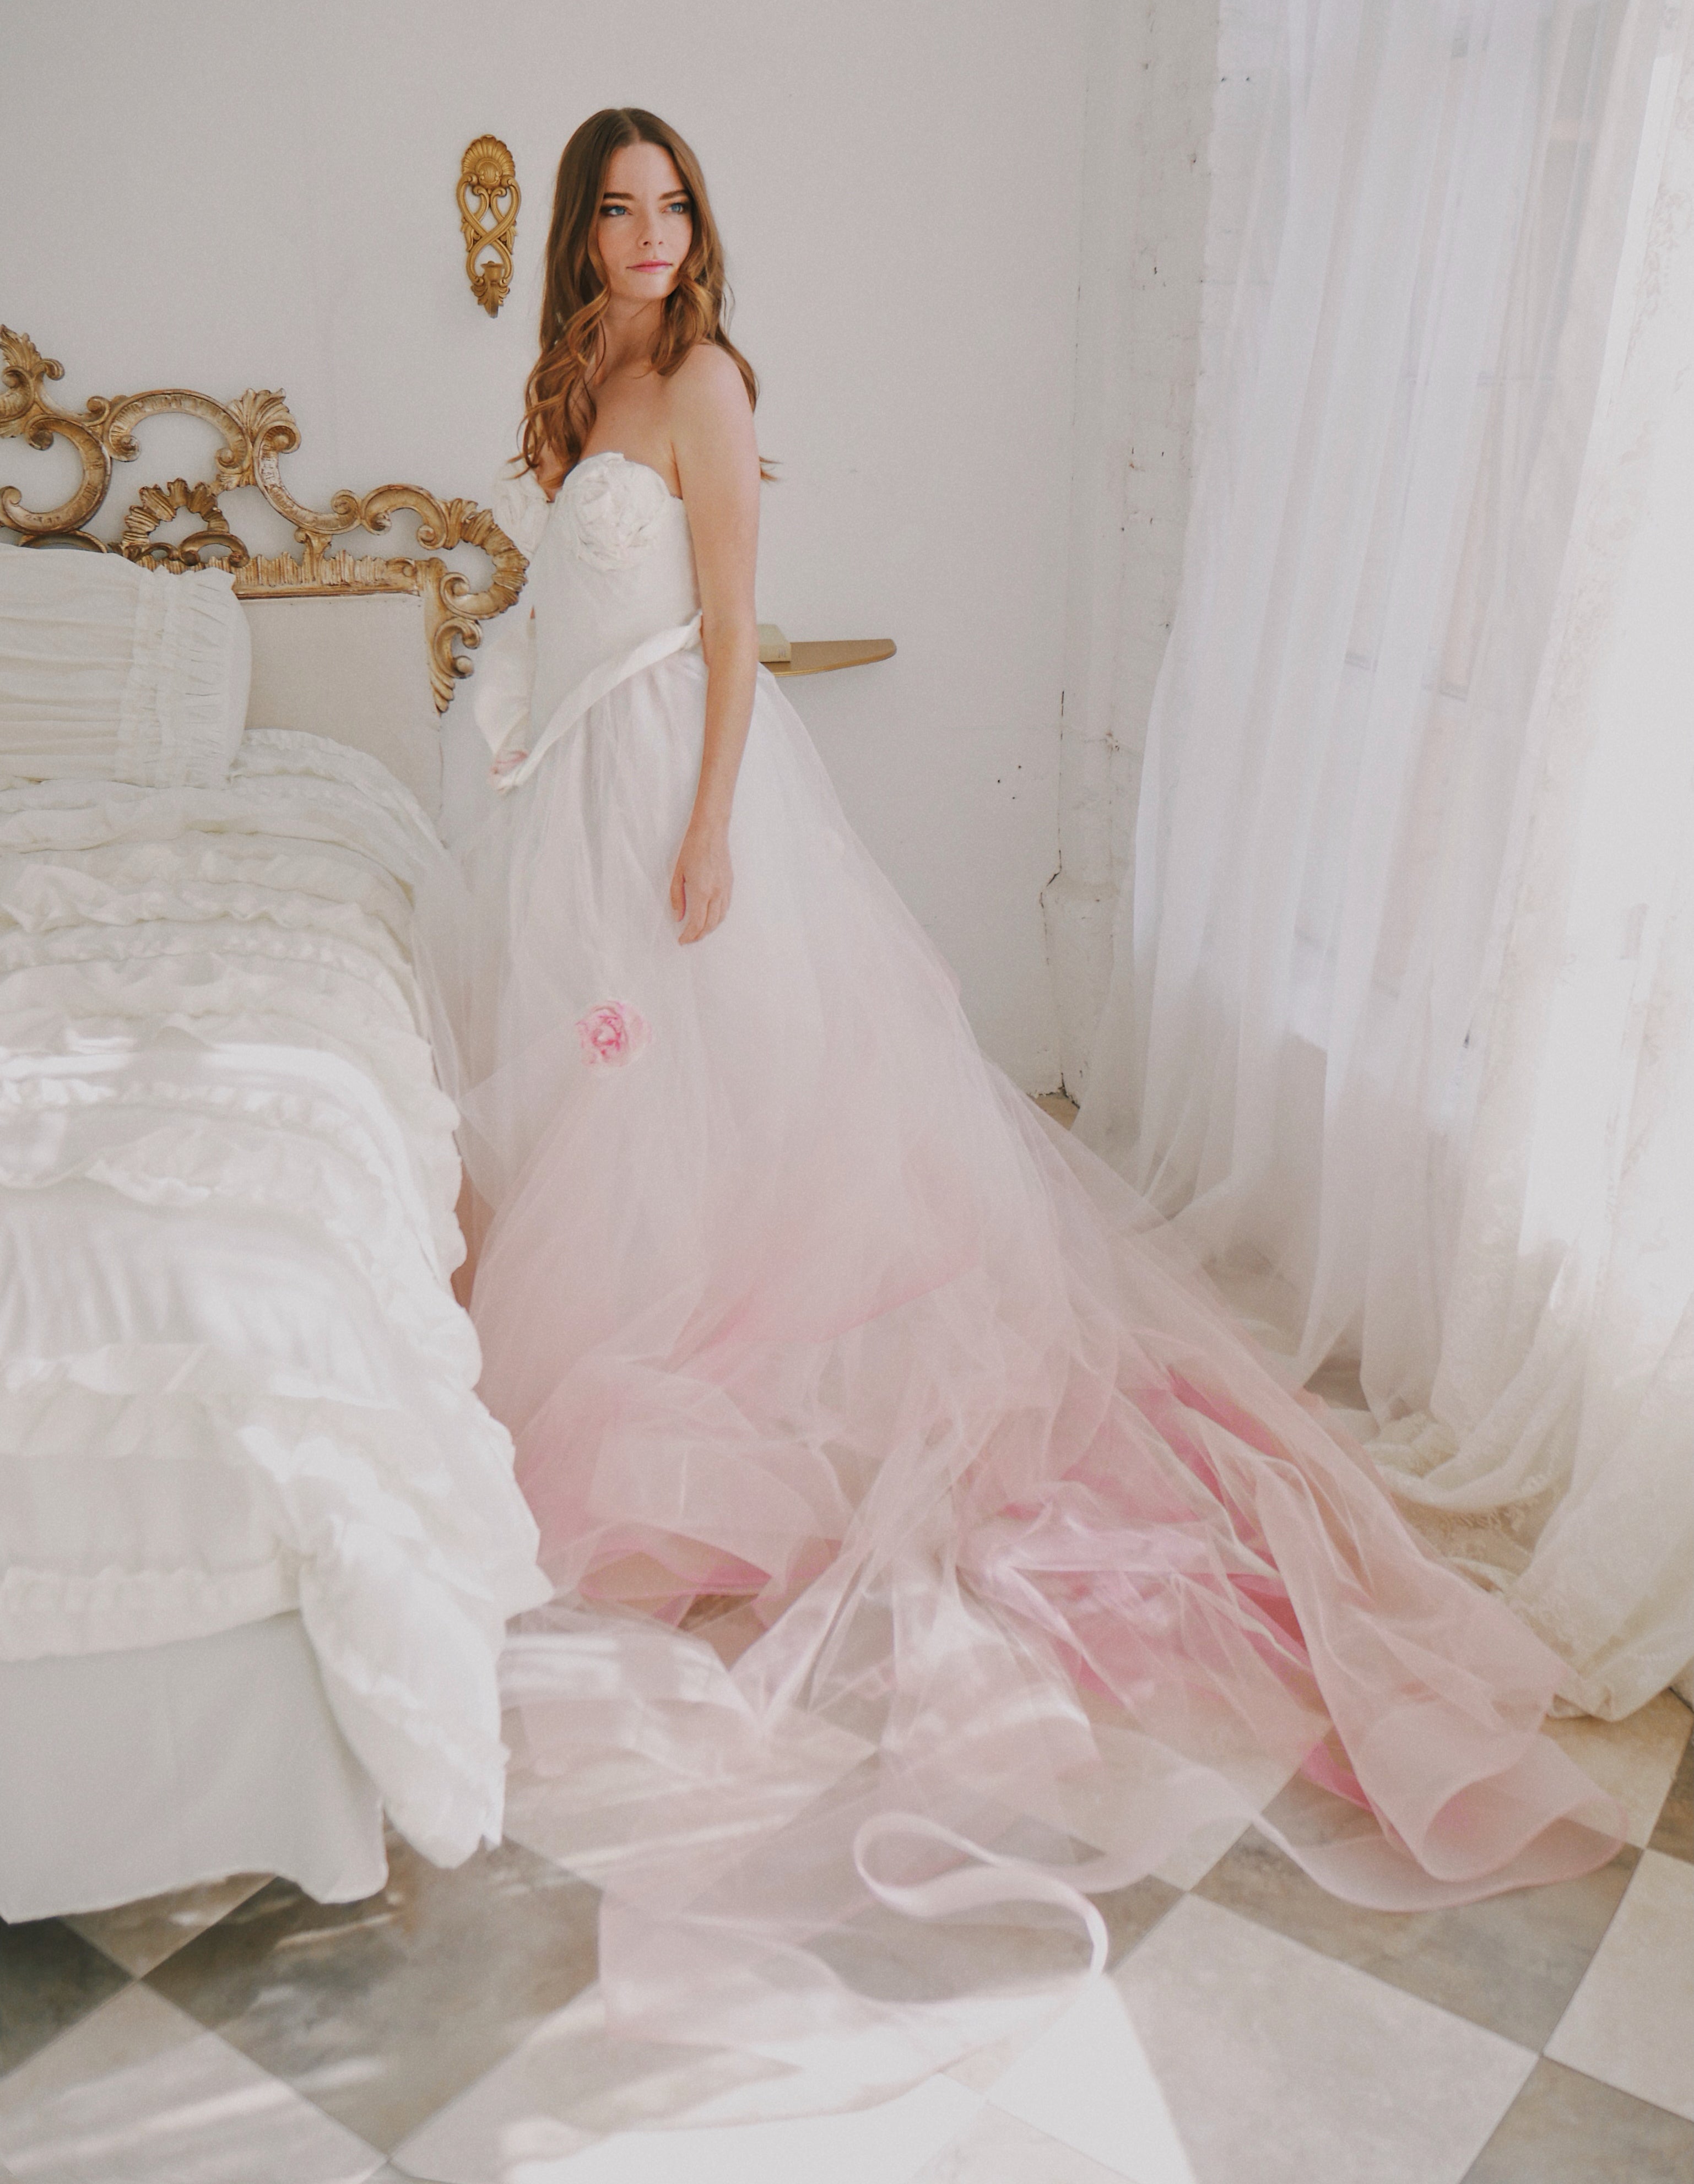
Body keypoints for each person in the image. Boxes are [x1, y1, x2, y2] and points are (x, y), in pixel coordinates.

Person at [420, 106, 1621, 2088]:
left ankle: (743, 1377)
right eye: (618, 210)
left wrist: (706, 827)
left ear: (701, 223)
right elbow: (574, 605)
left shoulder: (708, 376)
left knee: (735, 1109)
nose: (648, 235)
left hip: (673, 793)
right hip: (568, 797)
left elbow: (728, 630)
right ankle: (649, 1347)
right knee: (620, 1133)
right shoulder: (588, 374)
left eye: (673, 205)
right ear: (581, 234)